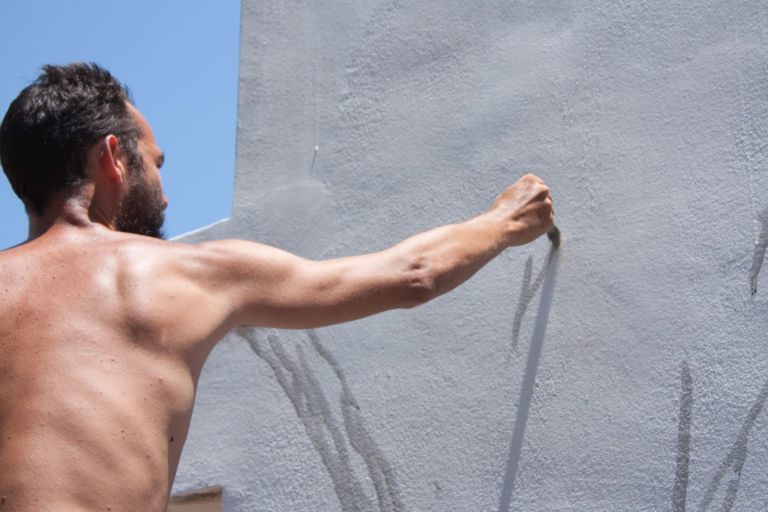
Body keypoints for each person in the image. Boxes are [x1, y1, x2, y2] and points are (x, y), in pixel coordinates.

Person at [0, 63, 554, 511]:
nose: (165, 196)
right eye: (155, 162)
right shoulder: (181, 273)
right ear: (113, 158)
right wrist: (504, 221)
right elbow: (413, 275)